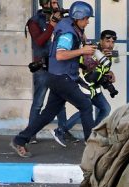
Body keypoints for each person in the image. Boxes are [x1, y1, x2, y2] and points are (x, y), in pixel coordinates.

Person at [10, 1, 96, 158]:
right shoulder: (68, 34)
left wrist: (85, 46)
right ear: (78, 18)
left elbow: (78, 39)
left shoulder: (71, 26)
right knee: (85, 105)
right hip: (62, 78)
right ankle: (92, 147)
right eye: (86, 19)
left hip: (57, 76)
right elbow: (60, 55)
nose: (88, 22)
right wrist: (82, 51)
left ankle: (20, 140)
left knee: (48, 114)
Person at [54, 29, 118, 144]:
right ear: (101, 41)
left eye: (112, 42)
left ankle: (93, 133)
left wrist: (110, 74)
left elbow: (103, 71)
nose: (110, 45)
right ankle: (60, 131)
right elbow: (90, 73)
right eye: (107, 41)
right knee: (85, 110)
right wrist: (101, 60)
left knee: (105, 108)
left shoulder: (108, 54)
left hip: (95, 88)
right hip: (86, 87)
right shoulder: (91, 51)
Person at [25, 0, 69, 145]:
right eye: (53, 2)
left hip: (57, 66)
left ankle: (63, 130)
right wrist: (52, 24)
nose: (56, 5)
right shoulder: (34, 21)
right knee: (38, 102)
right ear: (45, 4)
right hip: (42, 67)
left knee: (60, 100)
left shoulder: (61, 19)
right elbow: (39, 41)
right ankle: (30, 134)